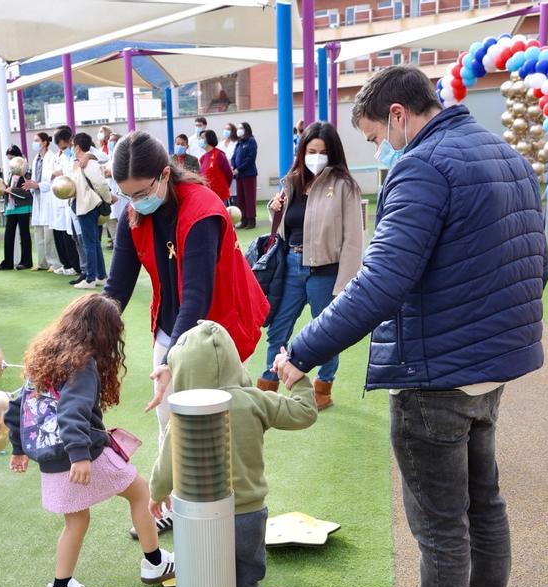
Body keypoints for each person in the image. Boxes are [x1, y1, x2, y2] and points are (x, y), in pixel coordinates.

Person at [274, 66, 548, 587]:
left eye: (375, 135)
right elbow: (537, 259)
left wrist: (301, 350)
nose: (379, 148)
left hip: (438, 372)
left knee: (440, 518)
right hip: (490, 366)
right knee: (484, 502)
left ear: (398, 114)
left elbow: (380, 282)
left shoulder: (422, 166)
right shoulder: (503, 154)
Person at [150, 321, 317, 587]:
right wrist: (297, 379)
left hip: (203, 520)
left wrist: (156, 492)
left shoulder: (187, 409)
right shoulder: (254, 400)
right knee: (246, 585)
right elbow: (305, 412)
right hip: (249, 517)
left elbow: (168, 460)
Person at [5, 294, 176, 587]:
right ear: (103, 334)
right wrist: (80, 455)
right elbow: (72, 411)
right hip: (83, 455)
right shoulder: (83, 364)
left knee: (77, 521)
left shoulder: (46, 357)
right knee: (139, 493)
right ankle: (155, 563)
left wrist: (18, 448)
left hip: (52, 458)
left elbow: (17, 406)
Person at [104, 130, 268, 446]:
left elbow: (196, 297)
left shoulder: (202, 209)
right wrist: (88, 334)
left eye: (142, 193)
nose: (136, 203)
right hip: (171, 323)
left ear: (165, 173)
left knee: (218, 432)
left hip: (219, 327)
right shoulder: (134, 212)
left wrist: (169, 361)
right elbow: (117, 288)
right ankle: (169, 494)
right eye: (128, 196)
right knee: (169, 426)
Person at [260, 121, 365, 410]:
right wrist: (274, 211)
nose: (315, 157)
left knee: (327, 333)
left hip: (326, 271)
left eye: (322, 152)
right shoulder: (291, 181)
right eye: (310, 150)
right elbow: (286, 229)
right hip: (291, 266)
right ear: (302, 151)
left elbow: (354, 239)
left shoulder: (344, 186)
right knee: (278, 328)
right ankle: (268, 382)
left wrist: (346, 283)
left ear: (332, 154)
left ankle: (323, 387)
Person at [70, 131, 113, 289]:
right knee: (94, 242)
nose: (73, 148)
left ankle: (90, 278)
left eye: (74, 145)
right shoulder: (83, 161)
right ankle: (100, 275)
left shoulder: (88, 162)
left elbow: (100, 183)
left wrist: (107, 198)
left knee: (89, 243)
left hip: (88, 206)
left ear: (78, 147)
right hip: (86, 204)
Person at [24, 132, 62, 272]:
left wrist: (37, 185)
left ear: (45, 142)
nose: (34, 143)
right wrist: (31, 185)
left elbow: (51, 180)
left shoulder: (51, 157)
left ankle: (54, 263)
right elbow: (35, 177)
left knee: (48, 235)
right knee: (38, 232)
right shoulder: (36, 159)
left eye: (37, 140)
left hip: (48, 196)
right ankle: (42, 262)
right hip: (38, 197)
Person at [48, 126, 83, 278]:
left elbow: (72, 174)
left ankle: (78, 267)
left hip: (74, 199)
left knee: (76, 238)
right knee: (63, 234)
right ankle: (68, 264)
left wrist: (60, 172)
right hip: (60, 200)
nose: (62, 149)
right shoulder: (60, 155)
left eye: (63, 145)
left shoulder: (77, 153)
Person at [0, 145, 33, 271]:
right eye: (9, 159)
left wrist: (13, 190)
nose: (10, 161)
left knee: (24, 234)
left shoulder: (25, 171)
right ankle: (7, 262)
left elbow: (28, 191)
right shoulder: (12, 173)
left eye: (12, 158)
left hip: (23, 207)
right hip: (10, 207)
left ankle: (26, 261)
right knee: (9, 234)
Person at [230, 121, 258, 229]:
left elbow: (250, 159)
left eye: (241, 128)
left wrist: (239, 169)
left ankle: (251, 220)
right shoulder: (239, 142)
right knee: (241, 198)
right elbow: (233, 157)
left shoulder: (251, 141)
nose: (238, 130)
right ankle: (243, 219)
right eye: (238, 128)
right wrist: (233, 166)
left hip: (248, 174)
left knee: (249, 198)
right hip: (239, 175)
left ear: (246, 129)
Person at [198, 129, 233, 204]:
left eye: (202, 138)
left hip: (220, 195)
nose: (200, 140)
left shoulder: (219, 155)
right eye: (200, 138)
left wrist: (224, 188)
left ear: (209, 139)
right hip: (208, 195)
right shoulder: (202, 158)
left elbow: (229, 174)